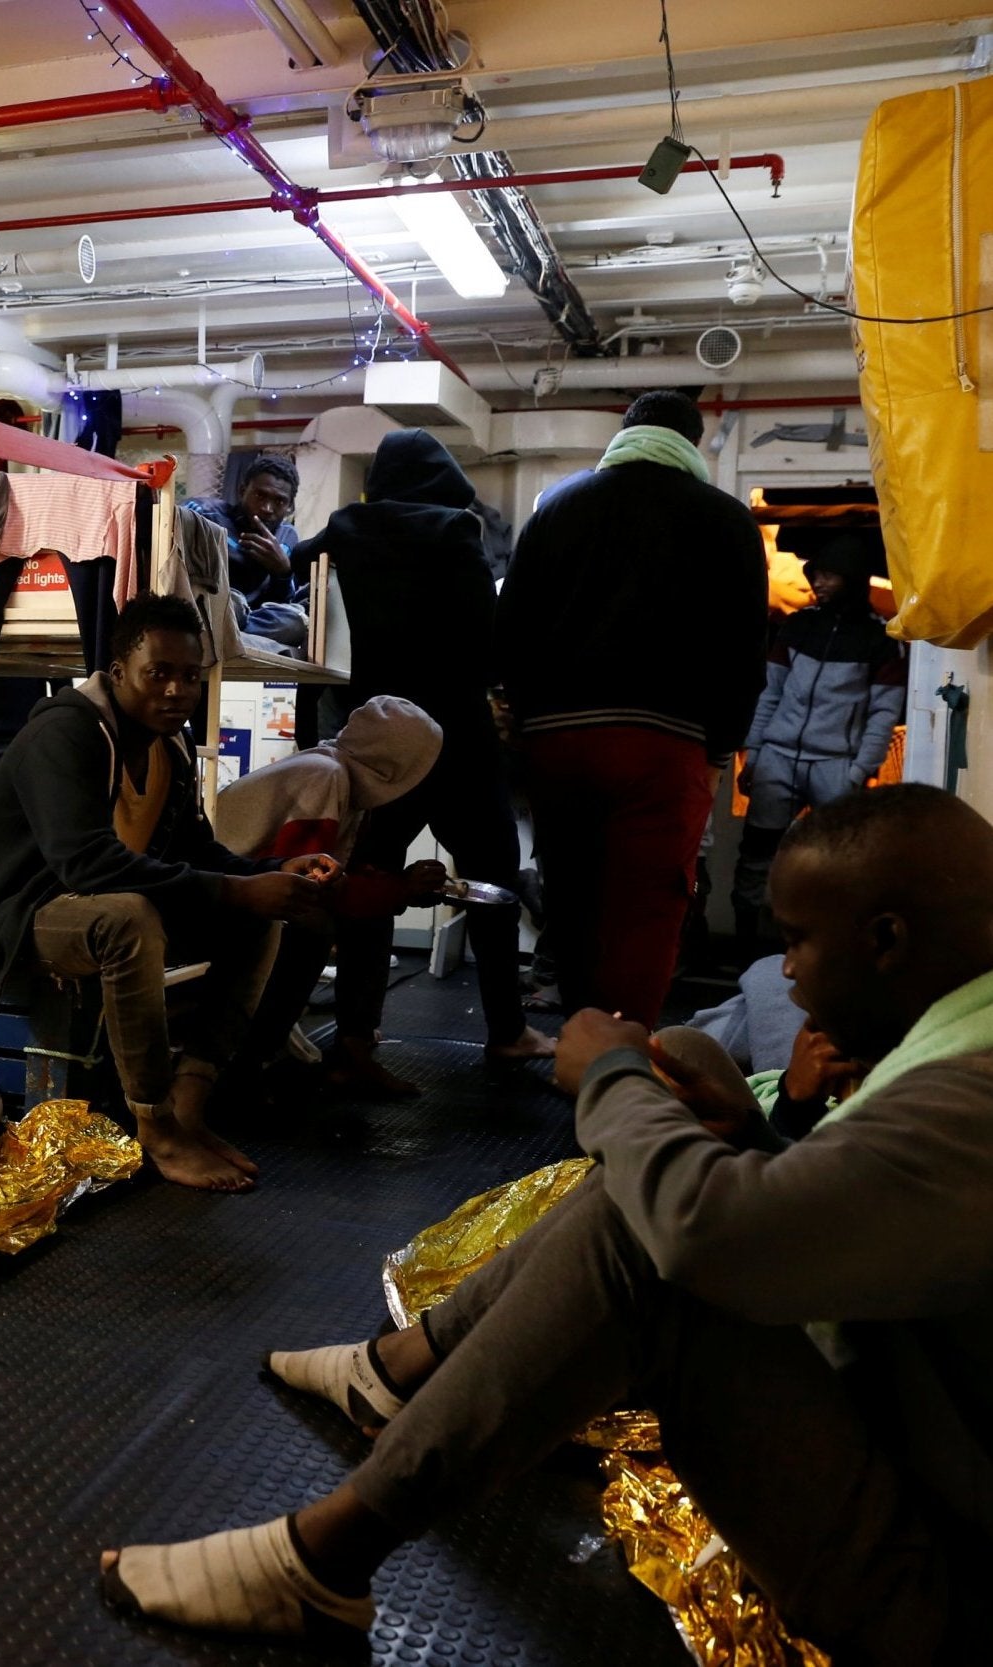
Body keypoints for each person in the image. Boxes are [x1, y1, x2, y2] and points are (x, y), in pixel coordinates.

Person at [101, 783, 993, 1665]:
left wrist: (612, 1079)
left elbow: (711, 1235)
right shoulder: (961, 1056)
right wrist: (755, 1128)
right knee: (650, 1187)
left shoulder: (971, 1098)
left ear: (886, 941)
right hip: (922, 1490)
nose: (786, 971)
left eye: (798, 941)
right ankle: (394, 1374)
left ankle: (324, 1553)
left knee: (645, 1243)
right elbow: (828, 1237)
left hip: (943, 1595)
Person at [0, 594, 335, 1192]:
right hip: (19, 918)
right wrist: (235, 891)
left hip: (100, 904)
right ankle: (154, 1128)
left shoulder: (169, 746)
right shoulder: (66, 733)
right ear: (117, 674)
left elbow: (196, 850)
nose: (177, 690)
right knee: (130, 916)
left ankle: (189, 1105)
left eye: (189, 676)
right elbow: (84, 865)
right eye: (158, 673)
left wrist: (271, 870)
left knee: (262, 916)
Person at [496, 390, 767, 1026]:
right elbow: (744, 651)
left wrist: (519, 716)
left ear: (627, 432)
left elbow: (508, 628)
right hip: (664, 746)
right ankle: (621, 1064)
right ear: (692, 443)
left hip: (558, 742)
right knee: (647, 908)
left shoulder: (559, 506)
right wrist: (721, 750)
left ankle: (579, 1038)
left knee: (570, 900)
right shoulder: (726, 519)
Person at [295, 430, 554, 1090]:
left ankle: (355, 1038)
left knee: (370, 881)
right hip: (456, 733)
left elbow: (297, 566)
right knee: (492, 876)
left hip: (381, 732)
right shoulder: (453, 531)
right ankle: (505, 1030)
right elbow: (487, 642)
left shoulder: (344, 528)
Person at [212, 696, 445, 1074]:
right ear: (395, 767)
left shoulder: (341, 776)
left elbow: (332, 875)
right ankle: (244, 1065)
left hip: (232, 883)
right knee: (310, 928)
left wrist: (398, 890)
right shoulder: (323, 775)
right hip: (220, 895)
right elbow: (305, 887)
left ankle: (351, 1055)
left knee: (358, 916)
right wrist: (400, 890)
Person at [733, 531, 905, 944]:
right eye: (818, 574)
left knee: (839, 862)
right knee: (758, 855)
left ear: (853, 577)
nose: (819, 582)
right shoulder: (797, 626)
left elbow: (884, 713)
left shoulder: (880, 639)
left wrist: (859, 770)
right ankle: (747, 945)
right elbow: (769, 692)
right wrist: (754, 754)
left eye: (829, 574)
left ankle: (827, 947)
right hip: (778, 757)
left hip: (836, 764)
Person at [188, 453, 301, 622]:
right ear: (242, 491)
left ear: (290, 506)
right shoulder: (204, 513)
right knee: (232, 606)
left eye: (279, 501)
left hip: (252, 618)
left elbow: (280, 603)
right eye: (260, 495)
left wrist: (282, 573)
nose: (267, 508)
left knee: (293, 622)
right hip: (212, 608)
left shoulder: (287, 536)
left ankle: (238, 631)